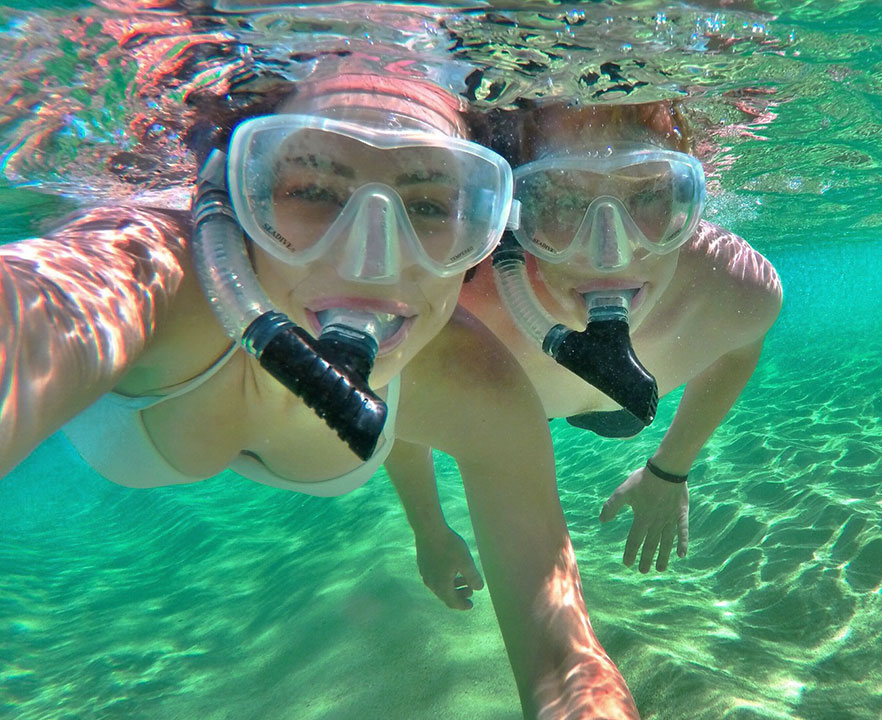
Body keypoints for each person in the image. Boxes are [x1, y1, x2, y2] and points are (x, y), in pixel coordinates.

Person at [0, 63, 639, 720]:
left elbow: (565, 661)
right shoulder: (143, 273)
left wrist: (430, 529)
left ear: (482, 235)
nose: (370, 263)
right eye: (314, 191)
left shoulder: (476, 388)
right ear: (234, 195)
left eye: (426, 206)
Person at [397, 98, 782, 607]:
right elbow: (400, 406)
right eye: (561, 201)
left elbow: (739, 349)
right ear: (516, 214)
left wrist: (670, 471)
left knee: (622, 415)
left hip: (626, 407)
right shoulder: (459, 310)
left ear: (691, 204)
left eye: (652, 195)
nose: (610, 253)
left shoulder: (737, 289)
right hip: (521, 403)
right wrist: (429, 529)